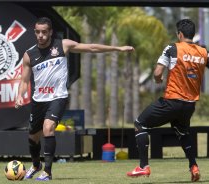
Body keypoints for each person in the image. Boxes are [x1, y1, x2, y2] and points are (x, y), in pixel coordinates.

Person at [15, 17, 134, 181]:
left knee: (48, 128)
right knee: (33, 137)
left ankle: (47, 172)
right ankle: (36, 165)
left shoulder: (63, 45)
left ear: (50, 32)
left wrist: (118, 48)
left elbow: (91, 48)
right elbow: (24, 81)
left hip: (58, 97)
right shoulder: (29, 55)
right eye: (38, 32)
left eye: (44, 32)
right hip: (38, 100)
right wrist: (20, 95)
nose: (41, 35)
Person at [126, 19, 209, 182]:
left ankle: (143, 167)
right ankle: (194, 166)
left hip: (172, 101)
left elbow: (157, 73)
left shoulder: (173, 48)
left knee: (140, 123)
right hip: (189, 105)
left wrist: (158, 80)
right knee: (182, 132)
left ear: (180, 34)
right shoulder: (203, 52)